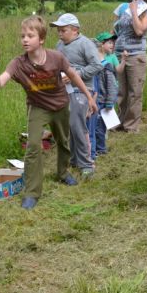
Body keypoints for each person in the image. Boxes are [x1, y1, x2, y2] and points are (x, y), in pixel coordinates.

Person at [0, 15, 97, 210]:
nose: (25, 40)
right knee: (33, 147)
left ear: (42, 39)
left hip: (61, 105)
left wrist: (88, 97)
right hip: (37, 107)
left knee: (63, 141)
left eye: (30, 35)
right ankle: (32, 192)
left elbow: (73, 75)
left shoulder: (56, 57)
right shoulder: (18, 63)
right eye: (22, 36)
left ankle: (63, 173)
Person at [51, 13, 103, 178]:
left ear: (75, 30)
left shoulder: (85, 44)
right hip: (63, 91)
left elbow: (97, 66)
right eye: (58, 30)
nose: (59, 33)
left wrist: (76, 74)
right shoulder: (59, 45)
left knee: (77, 125)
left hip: (82, 91)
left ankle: (86, 164)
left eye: (63, 30)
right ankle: (74, 159)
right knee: (68, 127)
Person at [113, 0, 147, 133]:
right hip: (119, 54)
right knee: (121, 92)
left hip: (136, 55)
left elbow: (139, 31)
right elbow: (115, 30)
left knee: (135, 92)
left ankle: (131, 126)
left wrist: (134, 11)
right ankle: (118, 122)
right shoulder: (121, 8)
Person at [92, 32, 119, 157]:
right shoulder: (93, 67)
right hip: (94, 100)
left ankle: (100, 149)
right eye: (109, 42)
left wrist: (109, 102)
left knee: (99, 128)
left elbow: (112, 86)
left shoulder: (106, 67)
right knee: (94, 127)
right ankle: (95, 147)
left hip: (102, 102)